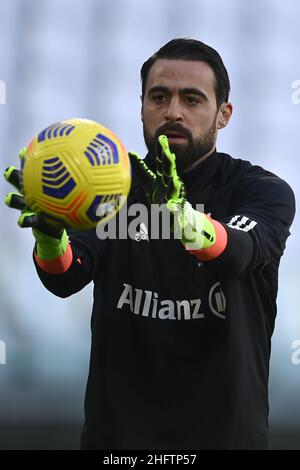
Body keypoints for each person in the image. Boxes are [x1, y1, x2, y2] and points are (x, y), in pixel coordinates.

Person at [4, 38, 295, 450]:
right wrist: (50, 237)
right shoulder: (106, 188)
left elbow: (237, 253)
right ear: (141, 105)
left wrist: (182, 217)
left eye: (192, 99)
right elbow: (65, 277)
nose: (173, 111)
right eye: (159, 96)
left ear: (224, 114)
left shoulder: (263, 190)